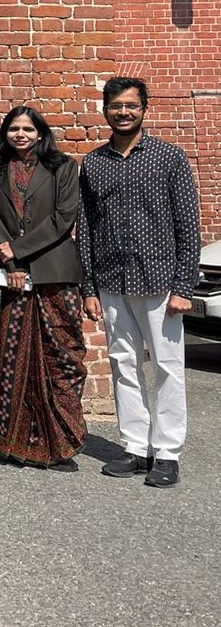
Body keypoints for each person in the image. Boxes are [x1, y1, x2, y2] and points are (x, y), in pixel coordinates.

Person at [79, 77, 201, 488]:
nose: (123, 112)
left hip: (161, 282)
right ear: (105, 111)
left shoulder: (169, 157)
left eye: (131, 105)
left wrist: (184, 287)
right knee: (123, 364)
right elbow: (87, 228)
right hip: (112, 281)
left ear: (144, 109)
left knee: (167, 367)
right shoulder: (94, 164)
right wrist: (89, 288)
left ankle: (167, 453)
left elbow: (188, 225)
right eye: (116, 106)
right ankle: (134, 446)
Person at [0, 106, 88, 471]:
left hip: (54, 273)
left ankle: (61, 444)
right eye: (14, 128)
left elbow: (64, 217)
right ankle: (14, 443)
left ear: (40, 133)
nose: (21, 134)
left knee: (61, 358)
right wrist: (11, 265)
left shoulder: (63, 167)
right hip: (15, 278)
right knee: (14, 359)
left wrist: (19, 249)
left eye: (28, 129)